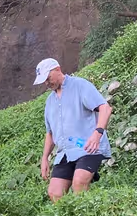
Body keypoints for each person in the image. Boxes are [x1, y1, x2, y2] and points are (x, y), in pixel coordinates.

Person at [33, 57, 112, 202]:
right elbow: (50, 133)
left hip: (87, 147)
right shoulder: (50, 102)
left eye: (48, 78)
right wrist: (44, 158)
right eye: (44, 80)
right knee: (55, 192)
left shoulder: (80, 86)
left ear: (57, 69)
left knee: (79, 183)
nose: (46, 83)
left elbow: (105, 108)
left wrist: (97, 133)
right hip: (65, 153)